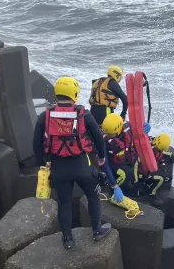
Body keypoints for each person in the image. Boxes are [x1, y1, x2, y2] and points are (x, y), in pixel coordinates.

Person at [32, 76, 113, 249]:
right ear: (74, 93)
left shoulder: (45, 115)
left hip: (59, 167)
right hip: (82, 165)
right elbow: (99, 137)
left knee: (64, 202)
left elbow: (36, 142)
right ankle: (97, 231)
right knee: (93, 196)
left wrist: (42, 163)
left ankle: (68, 239)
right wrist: (101, 157)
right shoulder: (83, 113)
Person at [102, 113, 164, 206]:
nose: (108, 135)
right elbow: (105, 163)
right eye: (106, 133)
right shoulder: (104, 140)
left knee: (139, 166)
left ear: (118, 130)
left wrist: (144, 129)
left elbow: (139, 135)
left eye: (111, 134)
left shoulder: (128, 127)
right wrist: (114, 186)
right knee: (126, 173)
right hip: (113, 162)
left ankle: (143, 188)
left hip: (127, 157)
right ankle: (111, 190)